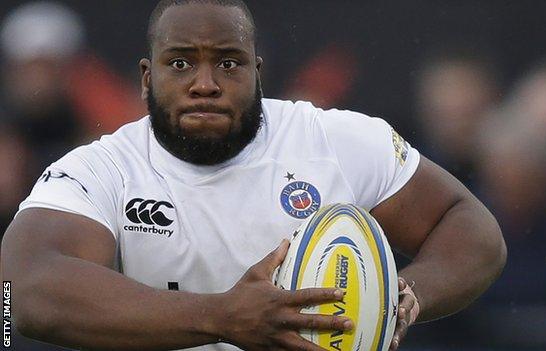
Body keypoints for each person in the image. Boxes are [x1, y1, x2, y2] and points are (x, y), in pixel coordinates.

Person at [1, 1, 506, 350]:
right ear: (147, 77)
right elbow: (21, 291)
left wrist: (403, 297)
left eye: (228, 63)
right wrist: (222, 317)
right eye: (180, 63)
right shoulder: (103, 168)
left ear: (257, 72)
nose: (205, 84)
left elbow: (470, 228)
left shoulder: (333, 140)